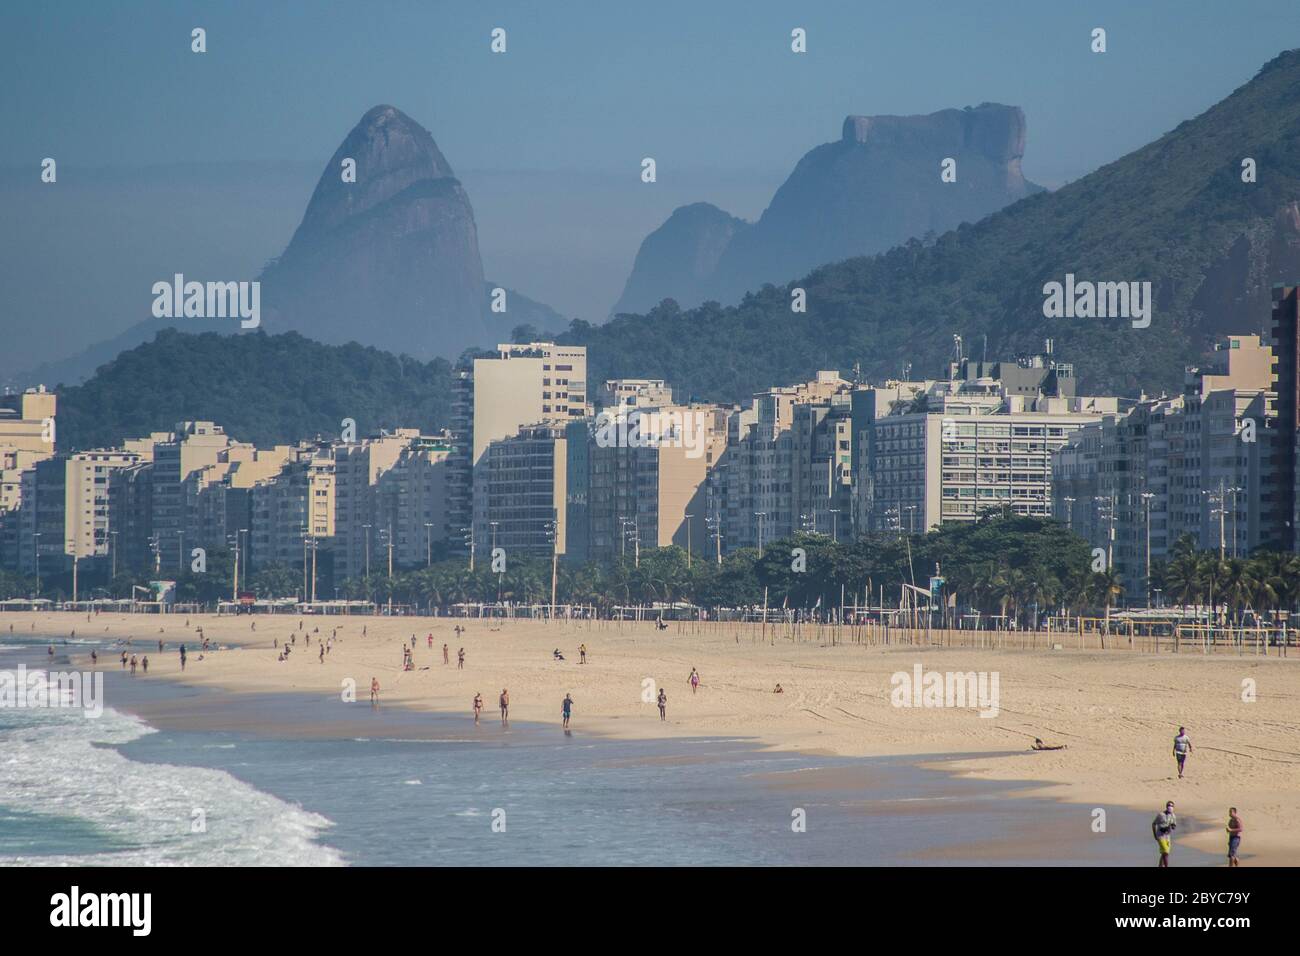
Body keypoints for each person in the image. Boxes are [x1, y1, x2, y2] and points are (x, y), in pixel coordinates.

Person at [1153, 801, 1177, 867]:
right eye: (1169, 805)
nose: (1170, 807)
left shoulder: (1173, 816)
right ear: (1166, 806)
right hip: (1160, 836)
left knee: (1165, 853)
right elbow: (1154, 824)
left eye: (1172, 806)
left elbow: (1174, 826)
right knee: (1166, 852)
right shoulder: (1161, 815)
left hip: (1167, 837)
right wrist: (1154, 835)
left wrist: (1172, 826)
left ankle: (1160, 865)